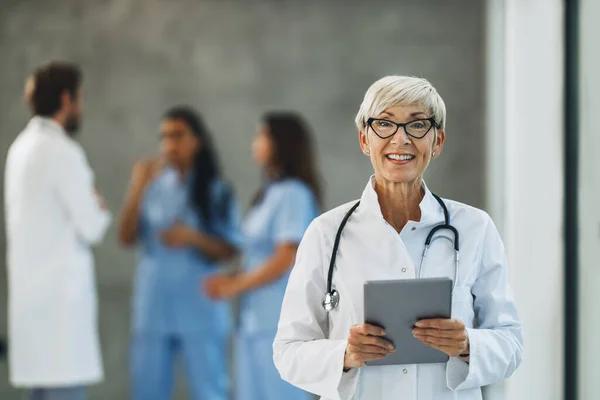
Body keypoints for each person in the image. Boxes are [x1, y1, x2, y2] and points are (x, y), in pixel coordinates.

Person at [272, 76, 523, 400]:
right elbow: (288, 351)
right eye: (385, 124)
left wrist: (467, 345)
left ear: (438, 141)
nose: (400, 139)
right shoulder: (326, 233)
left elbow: (511, 343)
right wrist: (344, 354)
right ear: (365, 140)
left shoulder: (475, 228)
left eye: (417, 125)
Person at [118, 106, 241, 400]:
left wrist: (193, 238)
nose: (169, 144)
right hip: (154, 308)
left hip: (199, 308)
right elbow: (125, 236)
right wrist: (137, 187)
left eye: (177, 135)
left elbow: (231, 251)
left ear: (196, 141)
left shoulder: (215, 190)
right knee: (147, 391)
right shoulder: (153, 187)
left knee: (210, 391)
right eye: (164, 137)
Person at [4, 62, 111, 400]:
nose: (80, 107)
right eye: (79, 98)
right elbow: (92, 226)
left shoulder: (19, 150)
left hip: (30, 308)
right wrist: (100, 207)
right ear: (67, 99)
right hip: (60, 314)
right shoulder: (63, 152)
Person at [204, 112, 321, 400]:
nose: (255, 143)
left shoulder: (293, 193)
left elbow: (286, 257)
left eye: (262, 136)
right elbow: (258, 254)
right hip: (254, 320)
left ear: (282, 143)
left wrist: (234, 286)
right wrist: (231, 278)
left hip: (277, 321)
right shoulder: (271, 192)